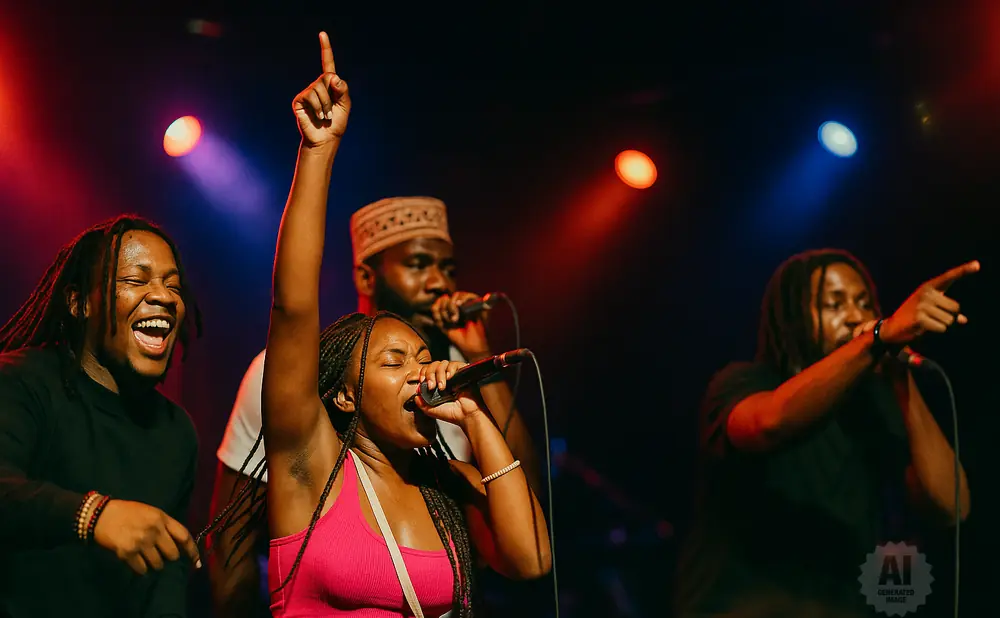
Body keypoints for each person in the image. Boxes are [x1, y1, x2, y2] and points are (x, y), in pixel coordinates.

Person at [201, 32, 551, 617]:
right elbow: (292, 305)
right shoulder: (308, 461)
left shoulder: (449, 479)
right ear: (339, 390)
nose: (420, 373)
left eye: (421, 359)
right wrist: (317, 152)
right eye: (393, 363)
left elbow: (533, 560)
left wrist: (472, 413)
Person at [674, 248, 974, 617]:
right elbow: (769, 424)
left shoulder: (876, 410)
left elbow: (950, 506)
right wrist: (876, 338)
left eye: (865, 303)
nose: (855, 316)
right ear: (794, 318)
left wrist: (900, 377)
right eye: (834, 304)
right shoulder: (745, 382)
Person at [0, 215, 203, 617]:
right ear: (79, 303)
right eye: (136, 279)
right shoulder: (22, 381)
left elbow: (165, 584)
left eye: (173, 284)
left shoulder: (177, 432)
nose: (163, 295)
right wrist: (92, 515)